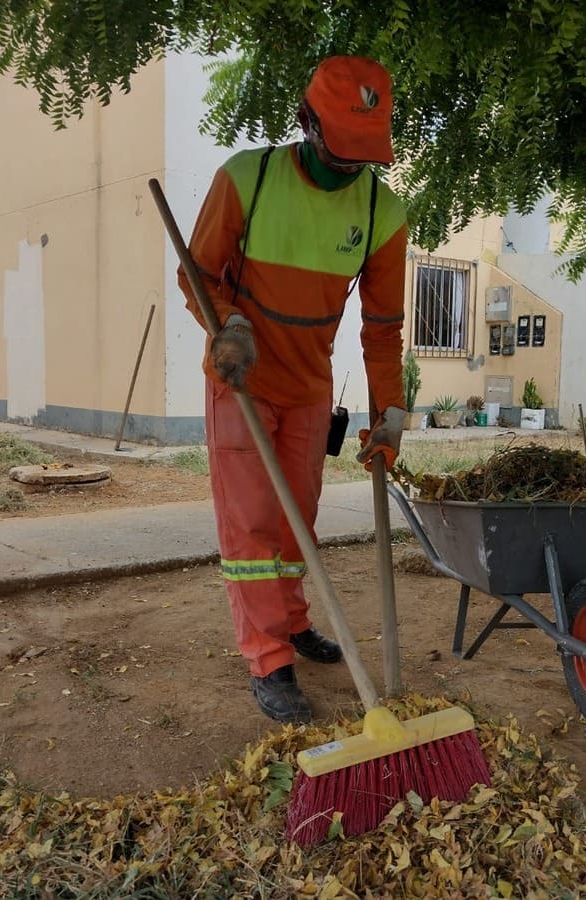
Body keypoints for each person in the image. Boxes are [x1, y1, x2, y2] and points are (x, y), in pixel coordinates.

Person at [177, 56, 408, 724]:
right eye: (340, 151)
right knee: (250, 525)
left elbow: (383, 326)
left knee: (294, 522)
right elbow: (199, 273)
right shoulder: (246, 178)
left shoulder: (380, 211)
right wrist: (229, 326)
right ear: (305, 123)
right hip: (241, 381)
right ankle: (267, 659)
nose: (348, 169)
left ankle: (294, 621)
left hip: (309, 387)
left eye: (362, 156)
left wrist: (388, 412)